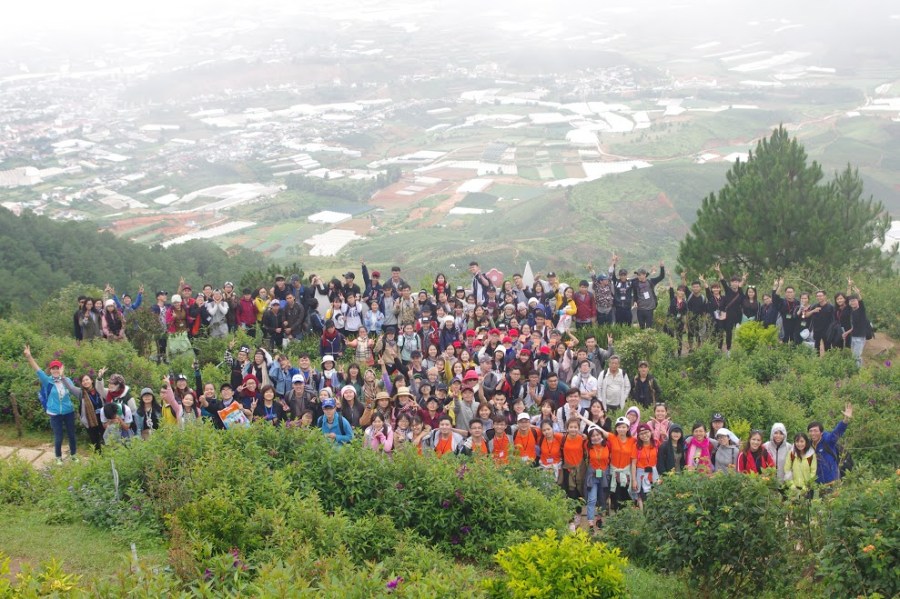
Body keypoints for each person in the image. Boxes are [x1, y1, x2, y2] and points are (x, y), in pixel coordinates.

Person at [24, 345, 77, 464]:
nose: (55, 370)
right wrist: (29, 356)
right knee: (58, 437)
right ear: (50, 370)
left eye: (57, 368)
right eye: (53, 368)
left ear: (61, 369)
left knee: (72, 435)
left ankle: (73, 455)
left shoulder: (67, 380)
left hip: (69, 412)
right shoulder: (47, 380)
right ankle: (58, 457)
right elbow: (37, 370)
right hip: (54, 413)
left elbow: (75, 391)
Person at [808, 402, 852, 485]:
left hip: (832, 482)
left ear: (821, 432)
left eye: (815, 431)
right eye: (811, 431)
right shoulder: (809, 445)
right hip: (818, 484)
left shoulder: (828, 440)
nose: (813, 433)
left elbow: (837, 432)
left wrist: (845, 420)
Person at [63, 371, 104, 452]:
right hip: (90, 420)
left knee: (106, 438)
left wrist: (99, 377)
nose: (85, 382)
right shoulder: (80, 393)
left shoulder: (98, 390)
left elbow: (100, 384)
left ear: (92, 380)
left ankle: (108, 457)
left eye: (87, 379)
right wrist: (62, 376)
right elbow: (70, 388)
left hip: (102, 418)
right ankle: (98, 457)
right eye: (83, 381)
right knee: (95, 442)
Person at [583, 426, 610, 530]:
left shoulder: (608, 445)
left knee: (602, 498)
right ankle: (590, 523)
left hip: (604, 475)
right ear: (590, 437)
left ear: (601, 434)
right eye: (593, 435)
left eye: (597, 434)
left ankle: (599, 519)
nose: (596, 437)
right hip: (592, 475)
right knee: (592, 499)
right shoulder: (587, 445)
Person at [844, 281, 872, 367]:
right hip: (853, 337)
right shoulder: (852, 311)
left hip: (860, 338)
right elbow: (847, 298)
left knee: (856, 356)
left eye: (854, 301)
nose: (852, 302)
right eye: (851, 301)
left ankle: (858, 371)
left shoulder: (861, 311)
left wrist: (858, 293)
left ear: (858, 302)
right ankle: (856, 370)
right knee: (854, 356)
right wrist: (849, 286)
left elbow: (861, 301)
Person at [631, 262, 665, 329]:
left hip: (649, 309)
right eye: (637, 275)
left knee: (649, 328)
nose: (638, 276)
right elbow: (634, 294)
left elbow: (661, 277)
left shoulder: (651, 282)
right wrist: (635, 301)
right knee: (642, 328)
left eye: (639, 275)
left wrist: (662, 267)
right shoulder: (635, 283)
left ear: (644, 275)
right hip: (640, 309)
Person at [784, 433, 817, 499]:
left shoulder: (811, 455)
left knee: (806, 505)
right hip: (793, 488)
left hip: (807, 489)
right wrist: (792, 486)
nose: (799, 444)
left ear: (806, 442)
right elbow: (787, 470)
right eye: (797, 441)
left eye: (802, 441)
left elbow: (813, 472)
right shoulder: (791, 453)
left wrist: (806, 487)